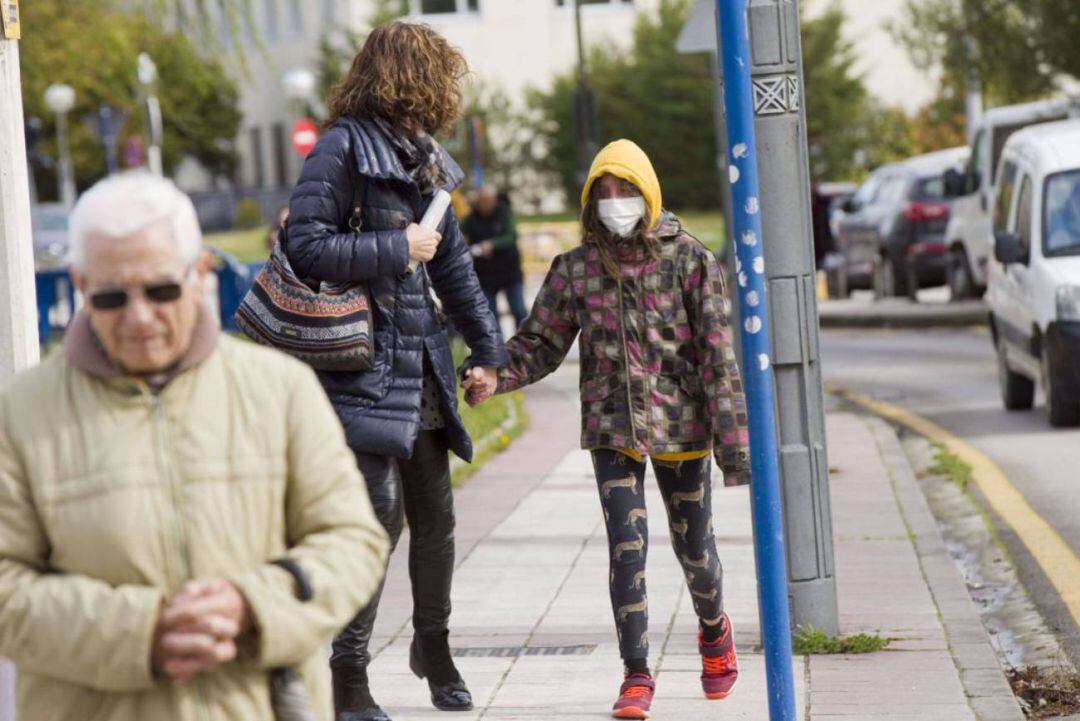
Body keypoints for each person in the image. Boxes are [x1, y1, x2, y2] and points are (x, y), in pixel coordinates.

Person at [0, 171, 390, 721]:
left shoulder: (279, 389)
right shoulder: (20, 414)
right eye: (110, 297)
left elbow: (354, 542)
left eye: (161, 290)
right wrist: (141, 632)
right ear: (80, 284)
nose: (138, 318)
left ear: (199, 273)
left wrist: (251, 606)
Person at [465, 140, 750, 719]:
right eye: (604, 194)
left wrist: (734, 451)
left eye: (626, 191)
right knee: (628, 549)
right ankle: (637, 675)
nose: (615, 203)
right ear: (590, 202)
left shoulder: (692, 262)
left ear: (647, 195)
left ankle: (714, 627)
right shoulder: (576, 270)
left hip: (682, 427)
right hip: (611, 426)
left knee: (695, 549)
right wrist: (496, 376)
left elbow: (721, 362)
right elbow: (540, 342)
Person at [284, 22, 506, 721]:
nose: (446, 91)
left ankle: (431, 648)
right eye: (438, 76)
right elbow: (304, 243)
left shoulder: (427, 159)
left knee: (435, 517)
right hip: (358, 365)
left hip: (422, 364)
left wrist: (490, 351)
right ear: (406, 75)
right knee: (376, 519)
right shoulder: (340, 147)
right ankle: (348, 676)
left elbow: (454, 265)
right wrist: (394, 245)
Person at [461, 185, 528, 333]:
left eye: (489, 200)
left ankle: (524, 344)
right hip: (484, 274)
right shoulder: (470, 219)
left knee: (519, 310)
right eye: (482, 200)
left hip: (509, 272)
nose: (486, 203)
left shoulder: (505, 214)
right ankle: (498, 349)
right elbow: (458, 234)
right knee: (490, 314)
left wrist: (492, 244)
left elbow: (511, 237)